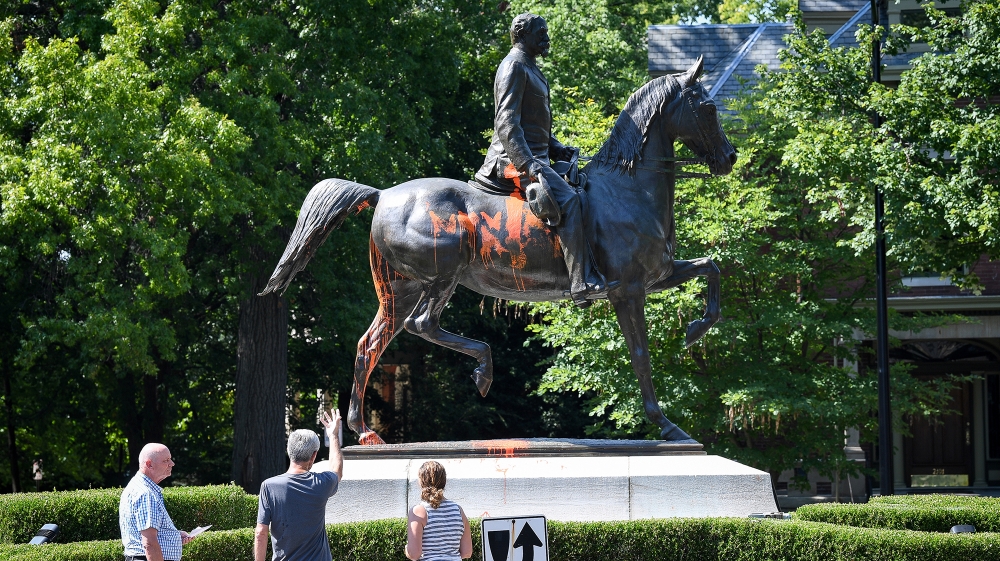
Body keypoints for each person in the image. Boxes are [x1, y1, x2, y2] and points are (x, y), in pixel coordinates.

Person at [474, 12, 616, 307]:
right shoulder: (513, 66)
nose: (546, 36)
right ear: (523, 35)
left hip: (535, 157)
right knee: (570, 200)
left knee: (586, 188)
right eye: (541, 32)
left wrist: (556, 148)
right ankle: (580, 283)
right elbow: (507, 123)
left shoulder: (531, 68)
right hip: (509, 161)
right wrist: (528, 163)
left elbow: (532, 124)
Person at [254, 409, 343, 561]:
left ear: (289, 451)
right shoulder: (321, 483)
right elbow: (337, 470)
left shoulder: (269, 486)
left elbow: (261, 533)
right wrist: (333, 435)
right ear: (314, 455)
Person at [120, 443, 193, 561]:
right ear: (149, 464)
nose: (172, 464)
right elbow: (149, 543)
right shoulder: (146, 493)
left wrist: (174, 536)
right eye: (166, 460)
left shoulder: (139, 487)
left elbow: (147, 533)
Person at [405, 461, 471, 561]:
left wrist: (407, 550)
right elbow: (467, 552)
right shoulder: (458, 510)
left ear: (421, 481)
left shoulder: (418, 511)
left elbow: (414, 554)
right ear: (444, 480)